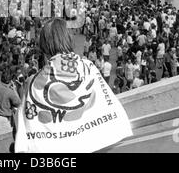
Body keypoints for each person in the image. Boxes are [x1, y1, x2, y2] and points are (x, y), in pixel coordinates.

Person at [14, 18, 132, 153]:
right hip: (90, 145)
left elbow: (26, 123)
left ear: (44, 46)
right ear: (68, 39)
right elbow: (104, 102)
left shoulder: (32, 83)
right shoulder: (88, 67)